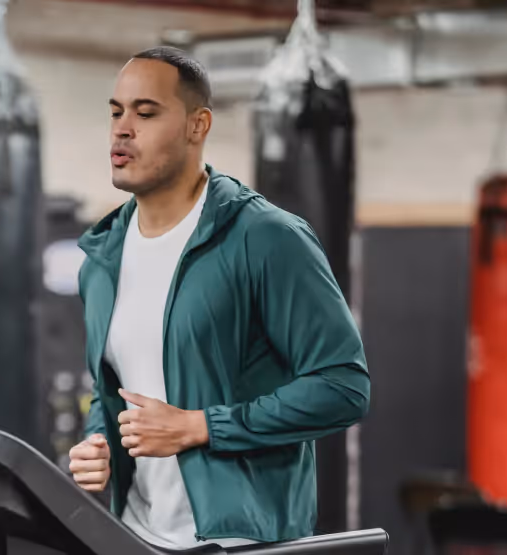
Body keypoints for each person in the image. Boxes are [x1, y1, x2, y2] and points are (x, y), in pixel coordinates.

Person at [69, 46, 370, 550]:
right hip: (135, 537)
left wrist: (201, 426)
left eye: (145, 113)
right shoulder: (103, 255)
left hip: (238, 542)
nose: (123, 128)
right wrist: (96, 441)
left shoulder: (267, 237)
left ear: (197, 125)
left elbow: (343, 387)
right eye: (116, 111)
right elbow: (114, 389)